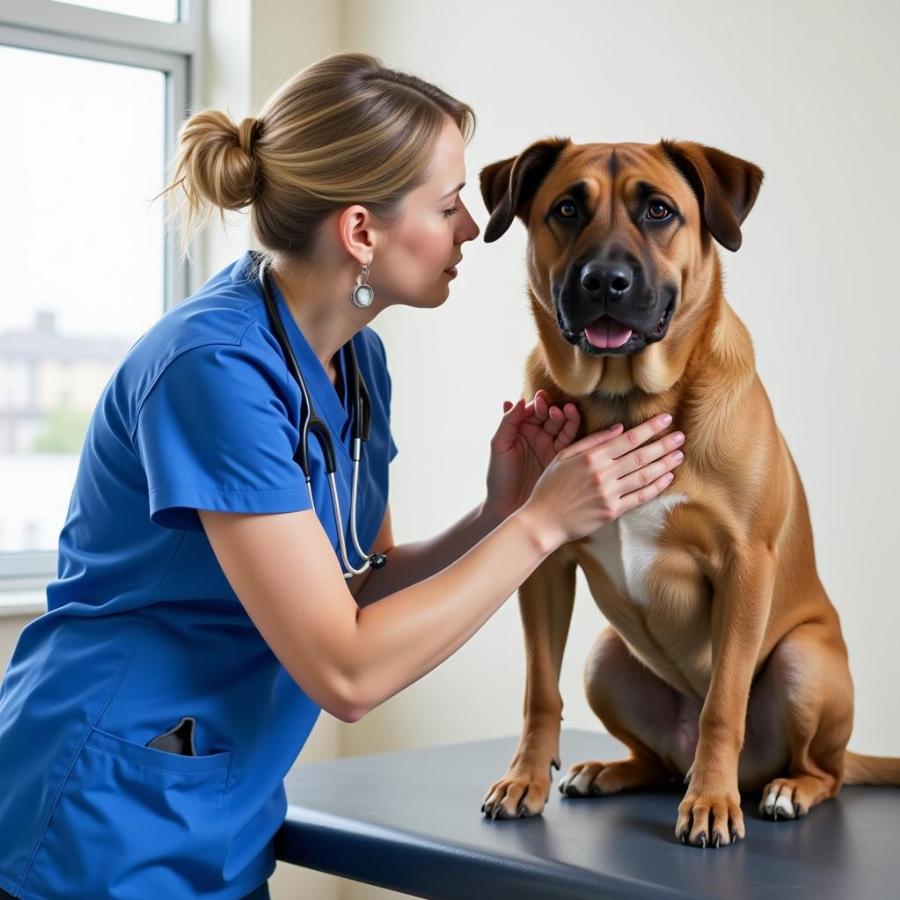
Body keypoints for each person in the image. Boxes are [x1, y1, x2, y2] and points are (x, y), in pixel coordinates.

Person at [0, 52, 686, 899]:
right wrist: (544, 526)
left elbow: (359, 589)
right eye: (446, 205)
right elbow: (347, 672)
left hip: (221, 807)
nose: (473, 227)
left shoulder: (356, 362)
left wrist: (498, 513)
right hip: (104, 816)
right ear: (362, 232)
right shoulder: (211, 371)